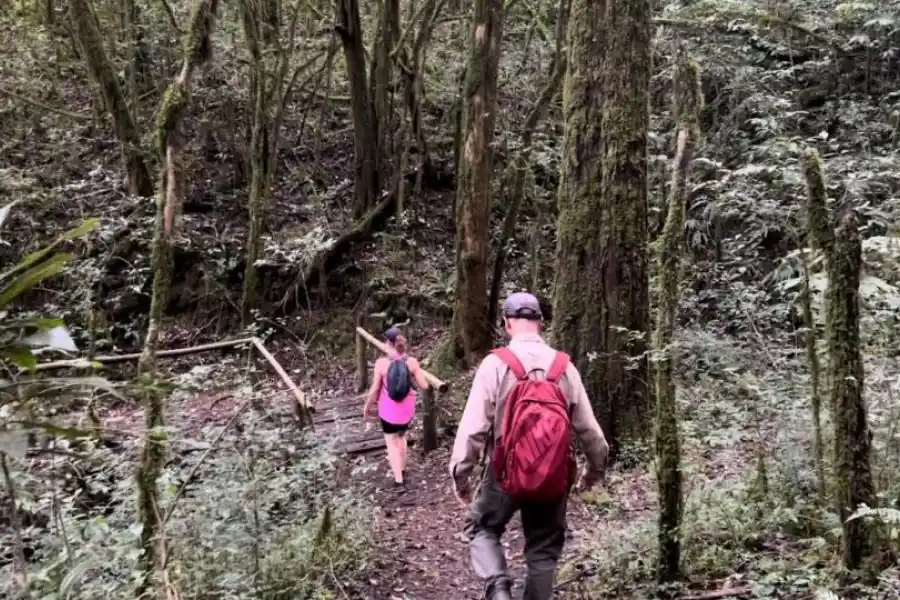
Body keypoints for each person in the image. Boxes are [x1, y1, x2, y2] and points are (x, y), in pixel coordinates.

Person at [448, 292, 609, 600]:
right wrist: (593, 472)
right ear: (540, 323)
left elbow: (473, 429)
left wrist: (461, 475)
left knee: (481, 528)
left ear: (507, 324)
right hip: (554, 475)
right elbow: (590, 431)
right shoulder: (565, 368)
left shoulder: (495, 365)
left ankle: (498, 588)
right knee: (544, 551)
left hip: (504, 474)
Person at [363, 327, 430, 487]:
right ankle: (403, 468)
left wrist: (367, 407)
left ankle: (398, 479)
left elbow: (374, 390)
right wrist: (411, 378)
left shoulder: (381, 364)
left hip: (388, 410)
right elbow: (425, 386)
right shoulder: (412, 362)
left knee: (391, 442)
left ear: (388, 343)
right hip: (406, 410)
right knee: (401, 436)